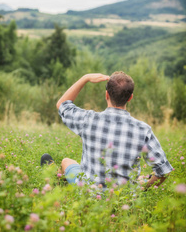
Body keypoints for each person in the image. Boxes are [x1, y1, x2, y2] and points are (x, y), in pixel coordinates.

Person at [41, 72, 173, 189]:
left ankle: (55, 181)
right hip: (123, 200)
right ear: (130, 98)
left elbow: (62, 104)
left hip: (88, 195)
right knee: (140, 178)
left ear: (106, 95)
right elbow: (164, 171)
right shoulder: (143, 130)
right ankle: (61, 182)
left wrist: (85, 78)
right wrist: (142, 188)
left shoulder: (88, 119)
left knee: (66, 162)